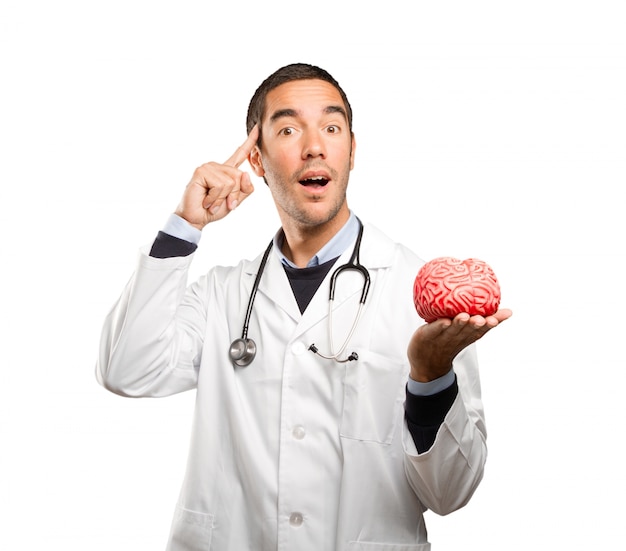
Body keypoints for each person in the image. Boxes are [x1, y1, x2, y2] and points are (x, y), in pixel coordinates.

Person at [97, 62, 512, 551]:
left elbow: (450, 493)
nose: (314, 145)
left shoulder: (417, 293)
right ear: (257, 159)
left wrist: (430, 376)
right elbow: (126, 369)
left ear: (352, 151)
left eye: (332, 128)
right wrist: (185, 227)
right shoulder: (223, 295)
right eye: (289, 129)